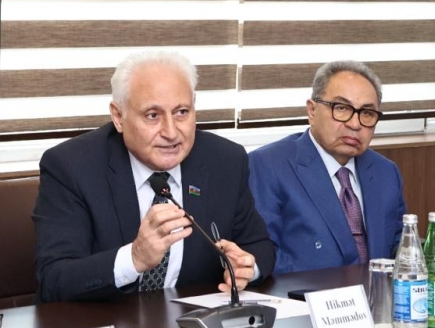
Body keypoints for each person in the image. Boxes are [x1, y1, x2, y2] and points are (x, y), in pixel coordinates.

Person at [33, 50, 276, 303]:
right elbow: (54, 279)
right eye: (153, 115)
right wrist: (134, 258)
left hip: (191, 321)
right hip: (103, 321)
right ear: (118, 116)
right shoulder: (72, 167)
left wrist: (247, 267)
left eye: (181, 112)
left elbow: (259, 246)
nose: (171, 132)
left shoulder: (225, 160)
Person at [248, 61, 406, 275]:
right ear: (312, 110)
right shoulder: (269, 165)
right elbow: (263, 255)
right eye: (341, 108)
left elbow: (400, 246)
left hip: (378, 293)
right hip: (306, 293)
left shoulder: (385, 172)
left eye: (367, 113)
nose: (355, 124)